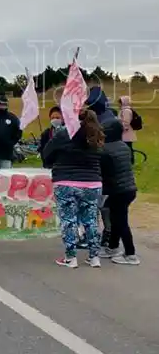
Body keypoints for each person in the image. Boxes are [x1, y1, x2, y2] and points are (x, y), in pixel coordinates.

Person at [43, 109, 105, 268]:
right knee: (91, 220)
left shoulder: (63, 133)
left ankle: (71, 257)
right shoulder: (97, 135)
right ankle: (94, 256)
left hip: (66, 181)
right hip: (92, 182)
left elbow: (47, 154)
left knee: (68, 220)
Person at [99, 115, 140, 265]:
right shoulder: (123, 146)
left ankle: (130, 254)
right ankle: (112, 247)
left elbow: (103, 170)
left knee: (120, 221)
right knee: (116, 218)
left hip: (118, 190)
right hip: (129, 188)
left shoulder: (105, 149)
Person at [118, 96, 138, 163]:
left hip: (126, 133)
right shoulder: (124, 110)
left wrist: (121, 128)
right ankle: (129, 160)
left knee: (128, 147)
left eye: (120, 102)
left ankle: (130, 161)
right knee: (128, 147)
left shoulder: (126, 111)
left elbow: (126, 122)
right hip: (126, 133)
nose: (119, 104)